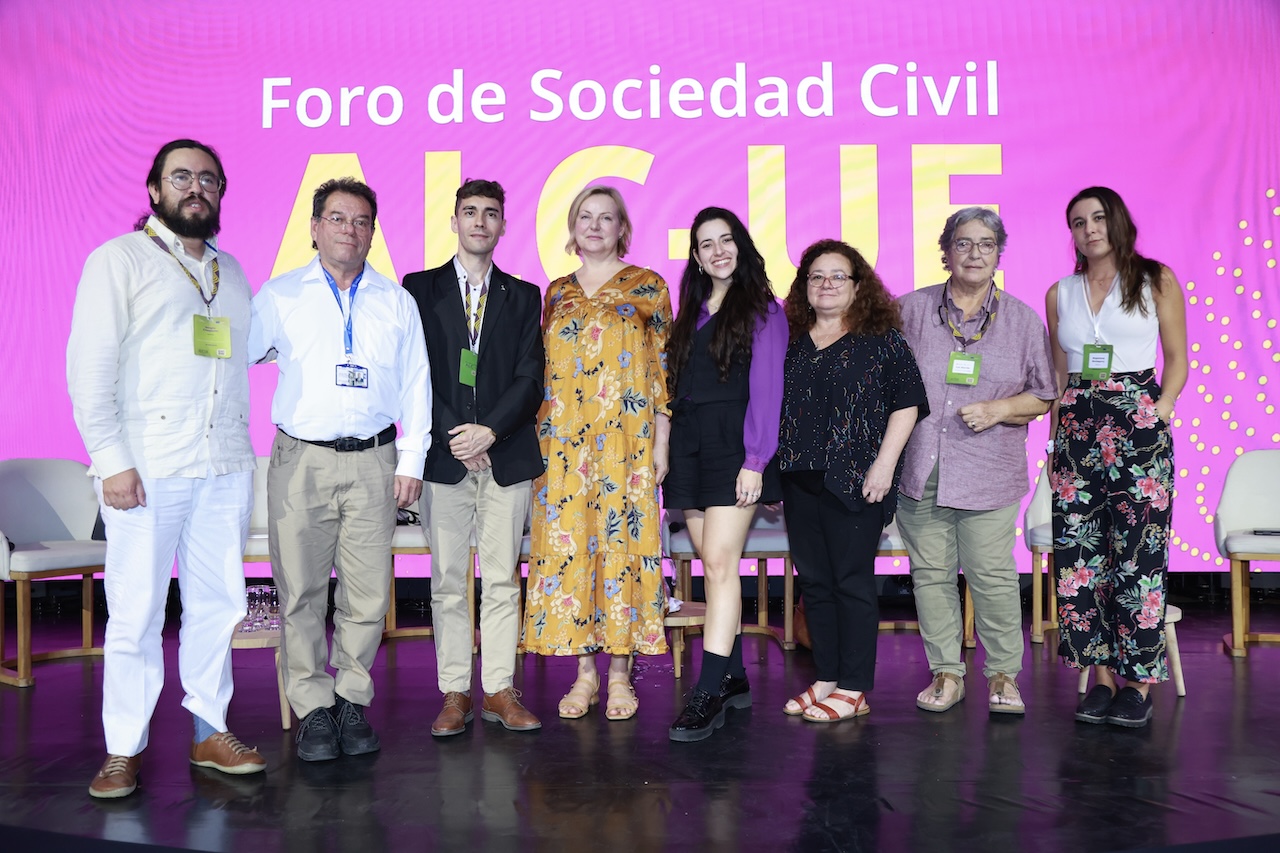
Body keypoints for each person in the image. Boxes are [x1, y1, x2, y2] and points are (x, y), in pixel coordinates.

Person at [68, 139, 266, 798]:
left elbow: (251, 355)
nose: (197, 187)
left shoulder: (230, 271)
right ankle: (123, 746)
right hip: (146, 469)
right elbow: (89, 369)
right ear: (154, 190)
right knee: (136, 612)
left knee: (220, 604)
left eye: (209, 178)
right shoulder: (118, 261)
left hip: (225, 466)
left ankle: (211, 728)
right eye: (182, 177)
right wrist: (111, 461)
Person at [248, 178, 432, 759]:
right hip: (301, 460)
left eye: (360, 221)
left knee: (368, 595)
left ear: (372, 233)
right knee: (299, 591)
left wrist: (411, 459)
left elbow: (416, 387)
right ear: (314, 227)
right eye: (337, 219)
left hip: (376, 462)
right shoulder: (279, 297)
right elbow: (234, 356)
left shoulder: (396, 301)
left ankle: (351, 698)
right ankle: (311, 707)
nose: (349, 230)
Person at [897, 208, 1058, 716]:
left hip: (989, 470)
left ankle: (1004, 676)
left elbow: (1045, 394)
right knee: (930, 575)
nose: (974, 254)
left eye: (985, 245)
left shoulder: (1023, 320)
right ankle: (946, 673)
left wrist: (1001, 409)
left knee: (991, 576)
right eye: (963, 244)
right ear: (945, 251)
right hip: (921, 467)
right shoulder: (910, 311)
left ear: (998, 253)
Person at [522, 185, 671, 721]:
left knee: (622, 550)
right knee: (571, 552)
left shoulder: (648, 286)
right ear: (573, 226)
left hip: (626, 443)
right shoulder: (556, 291)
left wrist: (662, 442)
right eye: (585, 216)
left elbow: (662, 371)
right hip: (562, 444)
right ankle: (583, 674)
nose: (595, 225)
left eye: (606, 218)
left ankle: (620, 676)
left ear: (621, 229)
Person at [402, 180, 544, 737]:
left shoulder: (525, 293)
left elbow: (531, 376)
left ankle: (500, 690)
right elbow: (413, 374)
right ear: (454, 221)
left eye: (490, 214)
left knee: (504, 578)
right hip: (445, 456)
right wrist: (458, 435)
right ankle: (455, 691)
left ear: (503, 225)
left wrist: (490, 432)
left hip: (506, 454)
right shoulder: (419, 288)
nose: (480, 222)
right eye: (470, 212)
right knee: (447, 578)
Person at [1047, 186, 1187, 728]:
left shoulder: (1157, 280)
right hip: (1079, 428)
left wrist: (1164, 407)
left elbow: (1176, 357)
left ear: (1118, 221)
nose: (1089, 229)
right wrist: (1058, 438)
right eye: (1078, 222)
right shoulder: (1060, 292)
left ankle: (1139, 683)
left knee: (1138, 557)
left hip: (1139, 425)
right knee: (1081, 563)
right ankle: (1100, 678)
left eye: (1099, 218)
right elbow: (1061, 377)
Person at [777, 239, 928, 722]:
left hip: (857, 481)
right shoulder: (792, 339)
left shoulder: (882, 338)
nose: (826, 284)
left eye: (837, 275)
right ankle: (828, 677)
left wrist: (884, 466)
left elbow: (908, 403)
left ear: (858, 285)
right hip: (800, 478)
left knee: (852, 584)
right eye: (816, 276)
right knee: (815, 585)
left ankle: (856, 687)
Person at [663, 207, 787, 742]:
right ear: (695, 255)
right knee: (712, 570)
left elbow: (768, 391)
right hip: (690, 446)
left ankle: (707, 689)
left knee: (718, 566)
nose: (718, 250)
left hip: (736, 448)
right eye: (706, 243)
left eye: (726, 239)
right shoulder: (687, 312)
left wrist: (755, 462)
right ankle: (734, 676)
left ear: (741, 245)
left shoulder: (763, 309)